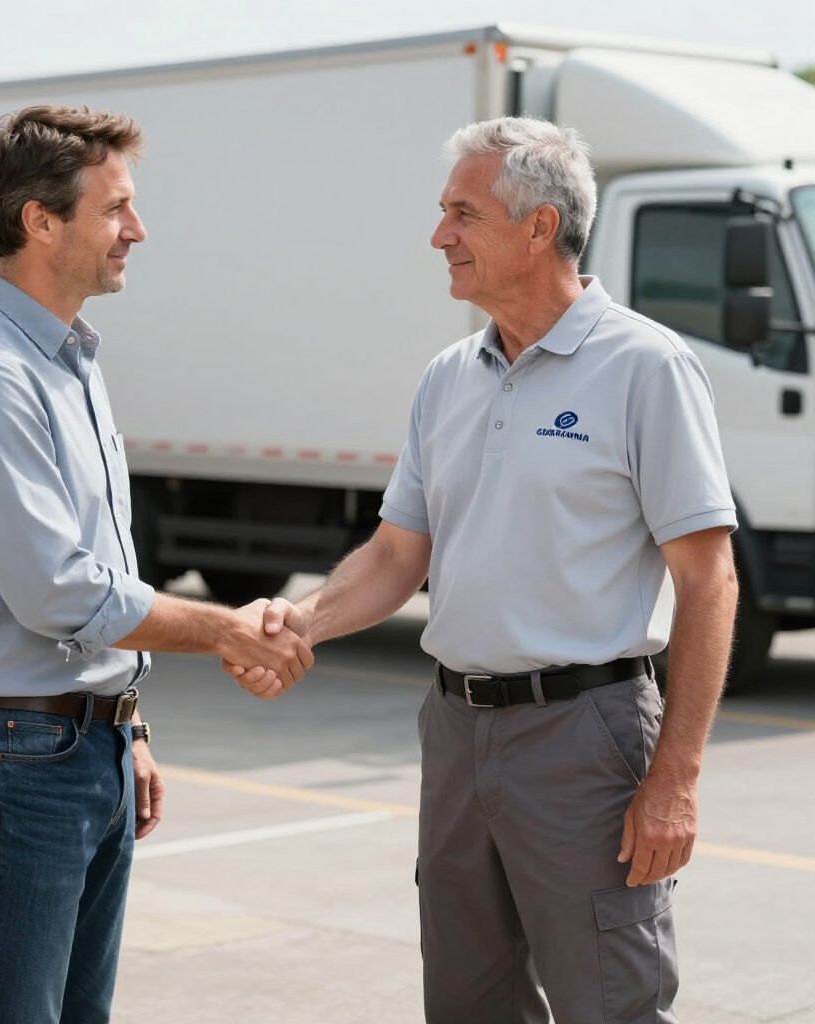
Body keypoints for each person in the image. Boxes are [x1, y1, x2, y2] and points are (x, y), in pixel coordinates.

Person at [229, 116, 738, 1022]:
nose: (440, 237)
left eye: (462, 213)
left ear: (539, 228)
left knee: (607, 1000)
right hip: (456, 735)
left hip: (586, 736)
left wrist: (676, 780)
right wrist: (299, 623)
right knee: (468, 1001)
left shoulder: (645, 367)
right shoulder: (448, 377)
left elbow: (710, 582)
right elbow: (396, 555)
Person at [0, 105, 311, 1024]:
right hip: (16, 762)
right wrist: (229, 629)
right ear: (40, 221)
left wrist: (126, 723)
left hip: (79, 749)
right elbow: (60, 590)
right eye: (116, 207)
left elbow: (94, 565)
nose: (138, 229)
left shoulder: (70, 361)